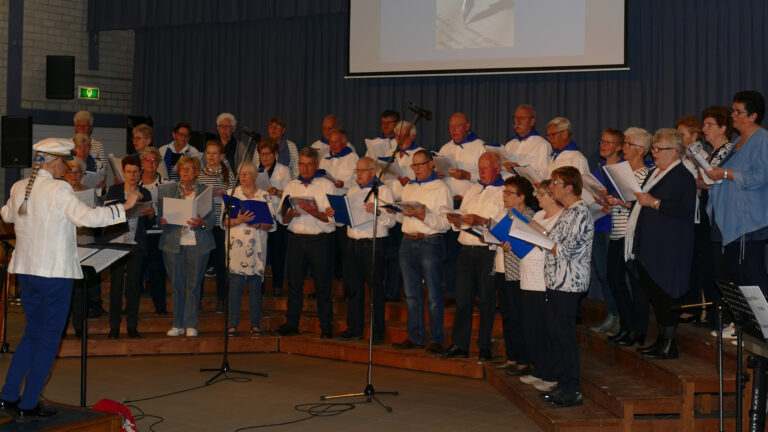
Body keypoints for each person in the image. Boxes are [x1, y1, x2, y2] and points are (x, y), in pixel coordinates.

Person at [0, 138, 137, 419]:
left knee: (32, 333)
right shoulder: (58, 188)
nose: (67, 167)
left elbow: (6, 215)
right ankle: (28, 404)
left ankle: (9, 395)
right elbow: (87, 218)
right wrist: (125, 206)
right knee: (49, 338)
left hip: (26, 272)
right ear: (55, 162)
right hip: (54, 275)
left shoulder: (18, 187)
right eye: (65, 162)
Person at [626, 129, 696, 360]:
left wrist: (654, 202)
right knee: (655, 293)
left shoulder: (683, 176)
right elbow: (643, 203)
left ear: (675, 152)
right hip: (650, 245)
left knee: (666, 293)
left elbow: (682, 208)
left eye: (659, 149)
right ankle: (661, 341)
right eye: (653, 148)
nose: (654, 153)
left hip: (669, 247)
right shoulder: (655, 172)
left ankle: (669, 343)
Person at [532, 166, 594, 408]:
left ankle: (571, 389)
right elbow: (558, 241)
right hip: (557, 281)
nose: (552, 187)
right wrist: (540, 232)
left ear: (570, 187)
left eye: (556, 183)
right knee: (557, 334)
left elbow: (566, 250)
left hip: (568, 282)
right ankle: (562, 383)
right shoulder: (568, 212)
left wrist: (541, 238)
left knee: (565, 337)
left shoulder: (579, 212)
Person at [706, 90, 768, 305]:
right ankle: (745, 327)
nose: (732, 115)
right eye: (733, 110)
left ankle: (764, 329)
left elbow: (761, 176)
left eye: (738, 111)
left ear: (753, 116)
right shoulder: (736, 143)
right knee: (736, 279)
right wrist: (712, 179)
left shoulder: (761, 138)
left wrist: (724, 173)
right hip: (731, 225)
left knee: (753, 281)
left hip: (748, 225)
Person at [443, 152, 506, 361]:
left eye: (486, 168)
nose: (481, 172)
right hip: (466, 250)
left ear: (497, 169)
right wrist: (456, 220)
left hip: (487, 252)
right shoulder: (473, 189)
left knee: (487, 300)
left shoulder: (504, 192)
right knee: (462, 300)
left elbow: (504, 226)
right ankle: (460, 344)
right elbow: (463, 217)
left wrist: (482, 221)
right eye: (479, 168)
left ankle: (484, 345)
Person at [330, 157, 395, 343]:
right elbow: (344, 221)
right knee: (353, 288)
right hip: (352, 243)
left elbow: (391, 222)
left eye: (362, 170)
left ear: (373, 172)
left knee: (375, 290)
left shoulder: (384, 191)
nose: (358, 174)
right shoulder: (352, 190)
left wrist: (378, 212)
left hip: (373, 244)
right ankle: (354, 328)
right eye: (356, 171)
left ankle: (377, 332)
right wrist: (336, 215)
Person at [393, 150, 452, 354]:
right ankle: (415, 336)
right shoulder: (408, 186)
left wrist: (423, 216)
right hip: (407, 241)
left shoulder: (441, 187)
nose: (417, 169)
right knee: (411, 295)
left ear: (431, 164)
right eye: (414, 165)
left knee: (434, 295)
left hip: (430, 241)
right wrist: (398, 212)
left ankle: (436, 338)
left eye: (420, 164)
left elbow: (446, 223)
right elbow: (403, 219)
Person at [276, 147, 337, 338]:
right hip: (296, 239)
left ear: (317, 165)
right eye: (302, 164)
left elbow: (333, 219)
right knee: (294, 284)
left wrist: (313, 211)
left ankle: (326, 325)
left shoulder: (327, 186)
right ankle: (292, 323)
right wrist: (289, 215)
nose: (305, 168)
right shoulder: (291, 185)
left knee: (323, 285)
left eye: (309, 164)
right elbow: (282, 219)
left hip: (320, 240)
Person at [604, 128, 652, 347]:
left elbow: (642, 205)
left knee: (635, 283)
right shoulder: (620, 172)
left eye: (628, 144)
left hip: (631, 235)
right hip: (617, 233)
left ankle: (636, 329)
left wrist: (622, 202)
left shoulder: (646, 174)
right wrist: (607, 202)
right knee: (613, 279)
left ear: (641, 150)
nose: (623, 147)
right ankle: (626, 326)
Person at [159, 156, 216, 337]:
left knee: (193, 285)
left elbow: (213, 220)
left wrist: (201, 223)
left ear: (197, 172)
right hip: (173, 244)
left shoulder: (205, 191)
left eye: (190, 169)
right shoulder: (168, 190)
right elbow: (158, 218)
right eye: (182, 168)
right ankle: (177, 324)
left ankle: (191, 323)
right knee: (176, 285)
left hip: (198, 244)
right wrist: (162, 221)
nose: (185, 172)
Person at [516, 180, 563, 391]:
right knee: (532, 328)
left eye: (542, 194)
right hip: (528, 276)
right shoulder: (537, 216)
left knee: (546, 329)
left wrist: (539, 233)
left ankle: (552, 373)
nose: (537, 197)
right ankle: (539, 369)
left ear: (553, 195)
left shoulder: (561, 216)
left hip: (544, 279)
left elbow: (556, 246)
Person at [103, 156, 155, 339]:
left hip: (136, 243)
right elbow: (108, 215)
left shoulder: (145, 193)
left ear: (140, 173)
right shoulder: (115, 190)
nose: (132, 175)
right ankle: (114, 326)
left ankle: (132, 325)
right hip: (117, 243)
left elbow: (149, 223)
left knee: (133, 286)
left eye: (135, 171)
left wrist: (150, 214)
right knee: (116, 286)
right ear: (122, 173)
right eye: (128, 171)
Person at [221, 161, 274, 336]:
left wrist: (258, 223)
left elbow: (271, 225)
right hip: (236, 246)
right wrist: (239, 220)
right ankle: (232, 325)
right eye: (241, 174)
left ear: (255, 176)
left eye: (247, 174)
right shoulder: (231, 195)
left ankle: (255, 324)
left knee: (255, 287)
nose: (243, 177)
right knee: (235, 286)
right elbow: (224, 223)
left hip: (257, 246)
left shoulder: (265, 196)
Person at [437, 113, 486, 301]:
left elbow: (488, 176)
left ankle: (473, 295)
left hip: (471, 204)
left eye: (457, 126)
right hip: (450, 202)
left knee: (471, 252)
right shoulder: (445, 148)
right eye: (450, 126)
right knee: (450, 252)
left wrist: (467, 175)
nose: (453, 130)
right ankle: (451, 292)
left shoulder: (480, 146)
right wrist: (439, 175)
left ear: (467, 126)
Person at [694, 106, 734, 329]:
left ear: (723, 128)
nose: (704, 129)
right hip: (709, 217)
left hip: (722, 219)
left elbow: (718, 181)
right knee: (710, 269)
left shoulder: (729, 150)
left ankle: (728, 319)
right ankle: (716, 317)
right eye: (704, 124)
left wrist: (703, 181)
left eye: (709, 125)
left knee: (723, 270)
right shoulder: (710, 153)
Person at [492, 176, 537, 374]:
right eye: (505, 192)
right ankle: (511, 358)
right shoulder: (507, 215)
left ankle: (523, 361)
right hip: (502, 270)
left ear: (521, 197)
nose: (505, 196)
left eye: (509, 193)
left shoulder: (529, 217)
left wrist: (512, 246)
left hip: (518, 273)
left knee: (519, 317)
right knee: (508, 316)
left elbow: (531, 247)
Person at [382, 121, 422, 302]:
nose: (398, 139)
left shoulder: (419, 154)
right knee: (391, 254)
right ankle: (391, 291)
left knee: (408, 257)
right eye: (396, 135)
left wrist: (409, 182)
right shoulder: (390, 154)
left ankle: (409, 291)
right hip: (391, 206)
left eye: (403, 135)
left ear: (412, 136)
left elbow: (425, 182)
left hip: (409, 210)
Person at [588, 128, 624, 334]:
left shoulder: (621, 169)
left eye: (609, 142)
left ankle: (620, 316)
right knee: (602, 273)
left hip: (614, 225)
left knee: (614, 274)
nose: (603, 145)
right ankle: (611, 313)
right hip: (597, 224)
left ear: (619, 147)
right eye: (602, 141)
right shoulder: (598, 170)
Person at [198, 140, 235, 313]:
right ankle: (197, 299)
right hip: (204, 223)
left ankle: (222, 298)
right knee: (202, 264)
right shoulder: (199, 174)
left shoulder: (228, 175)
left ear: (221, 156)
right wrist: (212, 192)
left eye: (215, 153)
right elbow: (196, 196)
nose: (211, 156)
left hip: (221, 224)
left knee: (221, 264)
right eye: (208, 153)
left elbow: (233, 199)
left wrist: (225, 196)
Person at [257, 138, 292, 296]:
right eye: (261, 154)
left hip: (277, 214)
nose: (264, 157)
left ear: (275, 154)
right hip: (261, 215)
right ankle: (260, 285)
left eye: (267, 154)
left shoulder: (284, 170)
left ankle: (277, 285)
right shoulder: (255, 170)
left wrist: (276, 191)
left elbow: (290, 193)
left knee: (277, 252)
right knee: (261, 252)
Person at [138, 146, 168, 315]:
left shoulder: (166, 184)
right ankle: (132, 306)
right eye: (147, 160)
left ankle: (160, 306)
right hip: (139, 233)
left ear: (158, 163)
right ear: (142, 162)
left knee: (157, 271)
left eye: (154, 160)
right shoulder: (135, 183)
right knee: (137, 273)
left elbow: (171, 211)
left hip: (158, 233)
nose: (151, 163)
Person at [503, 104, 551, 181]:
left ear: (532, 122)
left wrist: (519, 170)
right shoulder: (510, 144)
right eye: (516, 117)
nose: (518, 122)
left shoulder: (542, 145)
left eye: (522, 118)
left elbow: (544, 177)